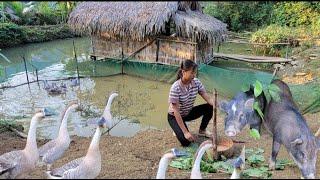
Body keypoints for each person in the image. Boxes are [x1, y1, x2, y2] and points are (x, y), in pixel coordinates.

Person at [168, 59, 214, 147]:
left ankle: (202, 131)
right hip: (174, 116)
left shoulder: (196, 82)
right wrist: (185, 132)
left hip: (187, 113)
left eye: (195, 73)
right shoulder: (175, 87)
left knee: (209, 107)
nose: (194, 75)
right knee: (186, 141)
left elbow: (207, 98)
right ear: (183, 72)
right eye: (192, 73)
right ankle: (177, 128)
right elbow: (176, 112)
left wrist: (217, 105)